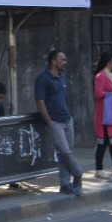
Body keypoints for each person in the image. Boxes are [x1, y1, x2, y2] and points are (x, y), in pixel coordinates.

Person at [35, 50, 83, 196]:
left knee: (65, 153)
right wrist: (49, 121)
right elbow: (40, 102)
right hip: (55, 121)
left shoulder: (61, 77)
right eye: (62, 60)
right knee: (65, 152)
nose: (65, 62)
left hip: (67, 119)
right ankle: (78, 173)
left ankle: (65, 184)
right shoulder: (43, 79)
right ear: (53, 61)